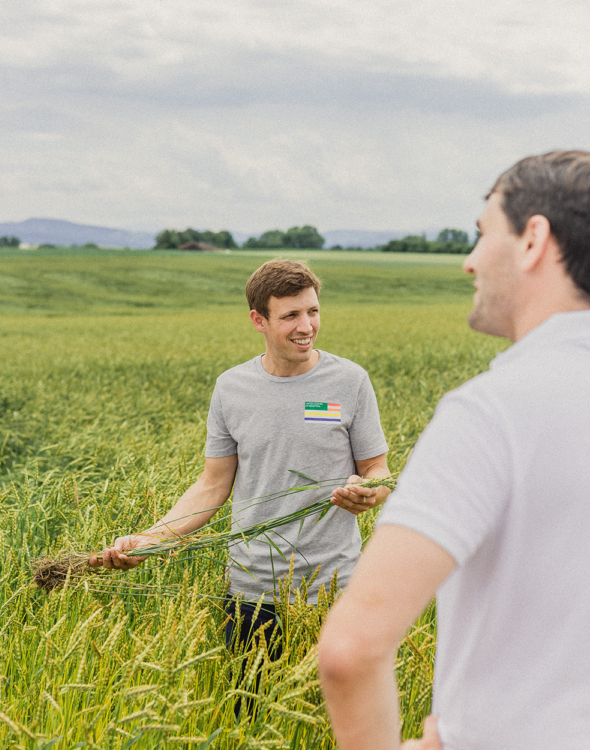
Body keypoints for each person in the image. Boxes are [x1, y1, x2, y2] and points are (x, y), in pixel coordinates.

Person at [318, 150, 590, 750]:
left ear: (533, 240)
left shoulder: (494, 412)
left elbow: (349, 649)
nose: (470, 262)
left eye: (482, 233)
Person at [90, 258, 390, 656]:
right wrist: (150, 539)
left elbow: (376, 470)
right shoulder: (232, 388)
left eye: (313, 311)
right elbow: (212, 484)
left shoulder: (350, 381)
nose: (307, 327)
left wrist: (371, 491)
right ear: (258, 320)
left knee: (331, 717)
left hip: (335, 588)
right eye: (291, 316)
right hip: (252, 591)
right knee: (248, 710)